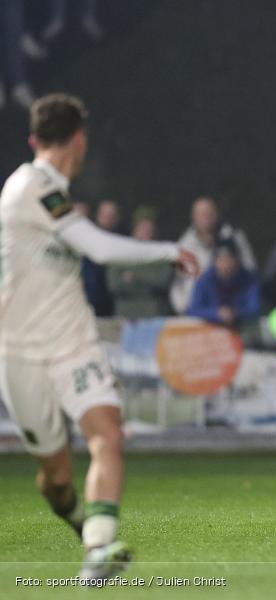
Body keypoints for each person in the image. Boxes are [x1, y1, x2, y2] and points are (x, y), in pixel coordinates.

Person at [0, 94, 198, 584]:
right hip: (20, 353)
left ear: (34, 138)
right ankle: (80, 522)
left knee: (107, 432)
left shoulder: (51, 192)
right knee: (56, 480)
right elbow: (99, 248)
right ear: (80, 139)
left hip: (74, 343)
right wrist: (168, 249)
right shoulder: (31, 185)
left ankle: (100, 548)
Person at [169, 196, 256, 314]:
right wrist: (184, 309)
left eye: (209, 213)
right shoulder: (183, 247)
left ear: (216, 214)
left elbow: (250, 272)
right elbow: (178, 283)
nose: (206, 217)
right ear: (193, 217)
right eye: (201, 214)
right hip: (194, 315)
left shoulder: (235, 239)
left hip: (233, 313)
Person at [108, 207, 174, 319]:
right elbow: (114, 284)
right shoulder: (121, 254)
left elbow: (163, 281)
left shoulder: (163, 254)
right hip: (126, 318)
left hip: (154, 317)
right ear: (134, 229)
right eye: (142, 227)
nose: (146, 231)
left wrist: (133, 276)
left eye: (149, 227)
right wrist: (150, 281)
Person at [187, 239, 261, 333]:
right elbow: (193, 310)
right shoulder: (205, 279)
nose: (225, 264)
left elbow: (255, 308)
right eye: (221, 259)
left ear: (237, 261)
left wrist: (235, 313)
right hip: (210, 329)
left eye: (229, 259)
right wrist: (216, 313)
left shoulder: (249, 280)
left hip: (241, 328)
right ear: (214, 261)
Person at [81, 199, 119, 317]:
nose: (107, 218)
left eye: (111, 215)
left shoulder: (121, 239)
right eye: (104, 215)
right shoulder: (87, 240)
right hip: (90, 301)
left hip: (112, 302)